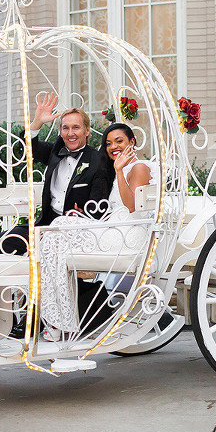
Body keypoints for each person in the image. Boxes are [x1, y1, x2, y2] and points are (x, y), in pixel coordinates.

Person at [39, 122, 156, 340]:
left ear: (132, 142)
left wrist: (119, 171)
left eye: (119, 141)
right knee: (55, 230)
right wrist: (82, 214)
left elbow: (132, 206)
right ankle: (59, 317)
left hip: (128, 235)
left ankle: (60, 321)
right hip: (113, 229)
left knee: (57, 233)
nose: (113, 147)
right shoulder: (118, 169)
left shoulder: (138, 167)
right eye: (108, 143)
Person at [0, 92, 112, 256]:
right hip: (44, 225)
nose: (70, 133)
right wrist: (37, 122)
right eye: (65, 128)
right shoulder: (55, 153)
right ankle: (27, 281)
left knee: (50, 254)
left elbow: (98, 208)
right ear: (60, 131)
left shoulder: (98, 162)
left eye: (76, 127)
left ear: (87, 131)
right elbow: (24, 150)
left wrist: (74, 218)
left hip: (74, 229)